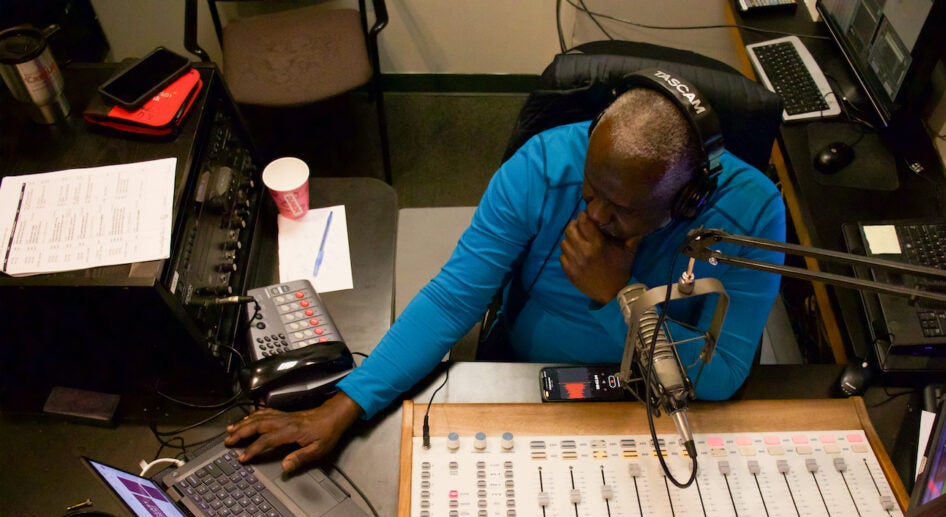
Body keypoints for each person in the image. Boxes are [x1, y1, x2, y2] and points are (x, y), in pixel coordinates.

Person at [225, 78, 786, 473]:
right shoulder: (544, 165)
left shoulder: (752, 215)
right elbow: (451, 302)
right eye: (590, 190)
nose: (592, 215)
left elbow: (725, 374)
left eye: (618, 209)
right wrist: (343, 405)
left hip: (654, 405)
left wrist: (621, 297)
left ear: (686, 200)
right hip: (524, 381)